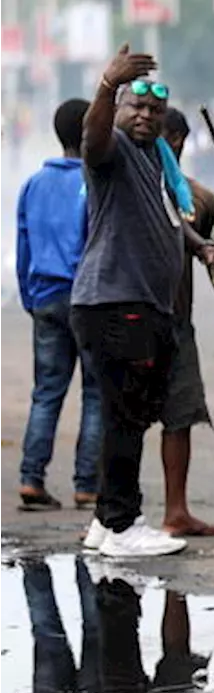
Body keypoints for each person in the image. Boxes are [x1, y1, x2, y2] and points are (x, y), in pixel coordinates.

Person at [74, 43, 189, 559]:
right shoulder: (113, 150)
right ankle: (122, 523)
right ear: (120, 111)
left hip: (138, 304)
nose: (145, 117)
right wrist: (105, 85)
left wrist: (202, 247)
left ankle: (104, 521)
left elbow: (168, 222)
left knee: (128, 412)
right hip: (118, 302)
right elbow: (92, 138)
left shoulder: (153, 162)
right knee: (127, 415)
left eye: (155, 111)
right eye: (135, 107)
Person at [15, 98, 102, 512]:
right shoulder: (93, 180)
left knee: (46, 393)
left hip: (45, 297)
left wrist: (29, 296)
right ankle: (86, 484)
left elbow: (23, 245)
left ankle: (32, 478)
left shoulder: (34, 183)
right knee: (96, 393)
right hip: (86, 299)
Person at [156, 107, 214, 538]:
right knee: (117, 418)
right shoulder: (122, 186)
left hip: (175, 322)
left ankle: (176, 511)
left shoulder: (197, 199)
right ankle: (110, 515)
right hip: (126, 319)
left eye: (173, 137)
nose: (167, 145)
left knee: (180, 415)